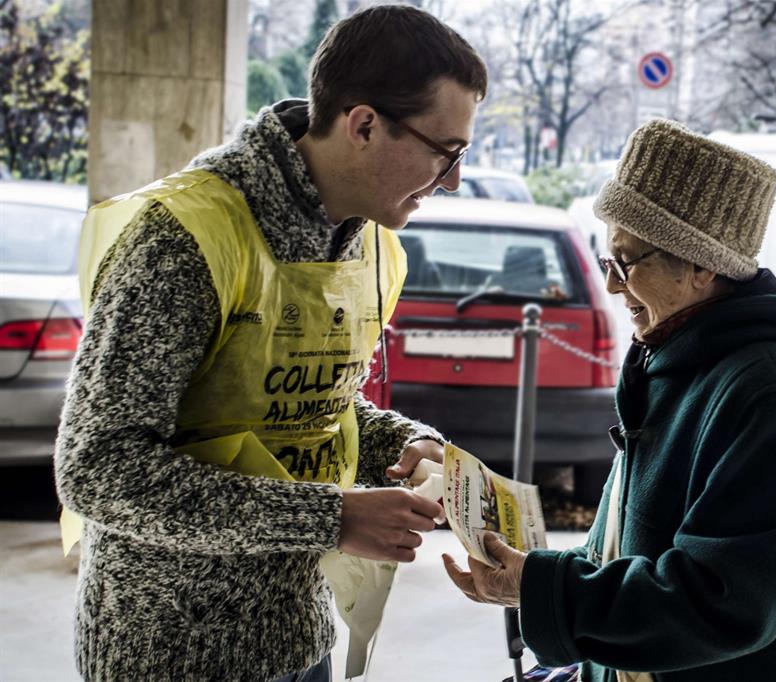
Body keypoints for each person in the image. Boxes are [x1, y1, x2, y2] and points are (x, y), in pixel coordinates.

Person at [55, 6, 487, 681]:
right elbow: (98, 468)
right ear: (364, 124)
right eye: (446, 150)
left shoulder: (368, 241)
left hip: (298, 632)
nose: (454, 178)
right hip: (168, 654)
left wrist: (400, 444)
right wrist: (330, 518)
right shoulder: (181, 238)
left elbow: (313, 407)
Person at [444, 119, 776, 682]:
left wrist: (539, 589)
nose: (611, 286)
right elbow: (621, 550)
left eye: (625, 264)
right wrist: (538, 583)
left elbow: (721, 601)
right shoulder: (676, 351)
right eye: (609, 261)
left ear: (701, 264)